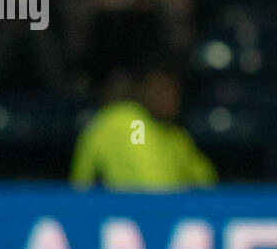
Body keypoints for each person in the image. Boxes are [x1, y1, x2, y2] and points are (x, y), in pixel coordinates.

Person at [71, 58, 217, 191]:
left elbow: (208, 185)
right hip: (108, 214)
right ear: (140, 89)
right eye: (159, 89)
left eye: (173, 89)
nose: (168, 96)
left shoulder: (177, 137)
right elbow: (152, 192)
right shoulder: (127, 121)